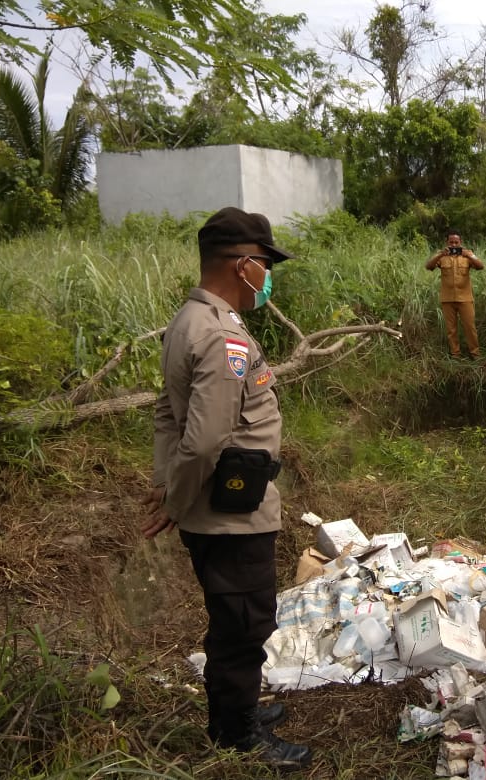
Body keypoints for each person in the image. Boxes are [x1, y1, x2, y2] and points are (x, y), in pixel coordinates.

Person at [141, 208, 311, 769]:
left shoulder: (189, 321)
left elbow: (170, 417)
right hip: (229, 510)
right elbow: (204, 440)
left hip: (221, 502)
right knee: (244, 621)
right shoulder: (220, 336)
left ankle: (238, 707)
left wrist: (167, 481)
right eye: (264, 265)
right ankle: (236, 734)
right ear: (242, 265)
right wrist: (175, 499)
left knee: (236, 616)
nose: (268, 277)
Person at [425, 230, 484, 358]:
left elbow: (480, 266)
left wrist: (469, 256)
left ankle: (475, 354)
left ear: (460, 242)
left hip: (465, 298)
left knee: (470, 327)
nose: (454, 245)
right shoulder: (442, 256)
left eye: (456, 242)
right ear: (447, 242)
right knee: (451, 329)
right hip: (447, 298)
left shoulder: (467, 255)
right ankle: (455, 354)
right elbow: (429, 267)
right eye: (451, 242)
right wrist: (440, 255)